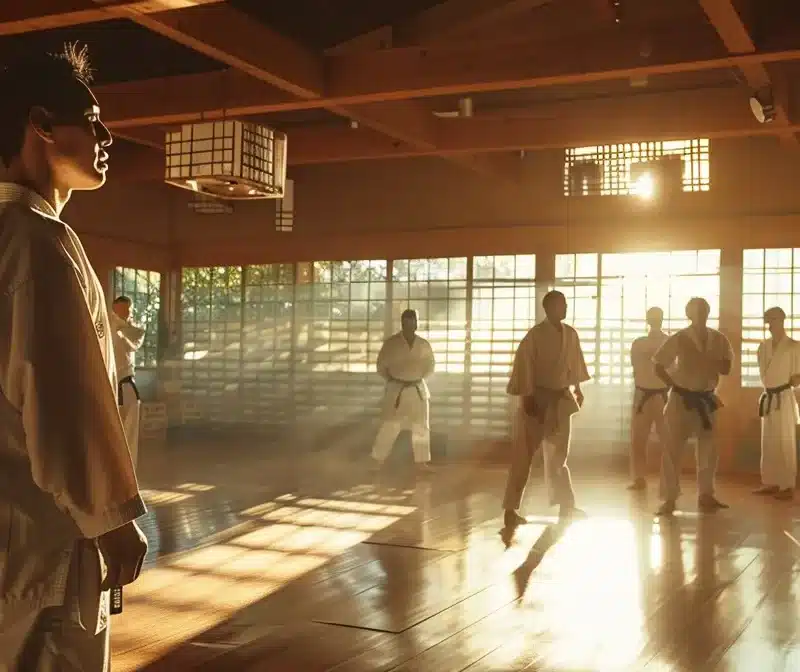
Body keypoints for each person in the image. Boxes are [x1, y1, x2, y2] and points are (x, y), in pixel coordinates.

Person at [0, 45, 148, 669]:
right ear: (40, 123)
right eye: (90, 118)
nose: (106, 134)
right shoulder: (38, 240)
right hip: (44, 536)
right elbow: (59, 400)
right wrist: (110, 519)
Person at [503, 290, 590, 527]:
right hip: (536, 398)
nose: (565, 308)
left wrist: (578, 388)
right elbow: (524, 365)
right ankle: (510, 509)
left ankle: (566, 505)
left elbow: (574, 363)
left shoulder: (570, 334)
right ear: (548, 308)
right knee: (524, 456)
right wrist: (528, 395)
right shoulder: (535, 336)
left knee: (559, 457)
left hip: (561, 399)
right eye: (561, 305)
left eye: (566, 304)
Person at [652, 297, 733, 516]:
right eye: (697, 311)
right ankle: (669, 498)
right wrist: (673, 384)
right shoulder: (679, 338)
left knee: (709, 449)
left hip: (706, 399)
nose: (701, 314)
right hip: (680, 398)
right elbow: (658, 365)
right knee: (672, 449)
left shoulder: (718, 339)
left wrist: (709, 361)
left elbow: (726, 368)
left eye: (704, 310)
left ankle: (706, 494)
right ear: (689, 314)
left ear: (708, 312)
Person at [370, 309, 436, 472]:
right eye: (407, 322)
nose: (410, 325)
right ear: (402, 323)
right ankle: (377, 461)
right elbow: (381, 367)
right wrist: (393, 380)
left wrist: (417, 377)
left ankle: (421, 463)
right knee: (390, 426)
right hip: (397, 389)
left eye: (413, 322)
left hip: (417, 388)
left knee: (421, 427)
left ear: (416, 323)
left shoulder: (423, 344)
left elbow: (431, 366)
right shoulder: (391, 343)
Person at [754, 306, 800, 500]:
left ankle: (787, 485)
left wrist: (791, 381)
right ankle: (771, 481)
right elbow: (763, 373)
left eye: (773, 319)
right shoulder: (762, 347)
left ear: (782, 320)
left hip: (784, 396)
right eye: (768, 320)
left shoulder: (794, 345)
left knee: (785, 440)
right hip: (768, 396)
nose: (770, 324)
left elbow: (797, 376)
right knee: (769, 441)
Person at [627, 307, 669, 491]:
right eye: (652, 317)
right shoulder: (639, 343)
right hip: (644, 393)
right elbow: (637, 368)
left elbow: (673, 368)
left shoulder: (668, 342)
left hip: (662, 394)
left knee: (668, 440)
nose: (654, 320)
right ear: (647, 320)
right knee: (638, 439)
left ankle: (667, 478)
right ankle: (639, 478)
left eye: (656, 317)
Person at [111, 295, 146, 466]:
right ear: (113, 309)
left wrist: (122, 325)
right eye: (120, 310)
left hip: (126, 383)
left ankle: (129, 470)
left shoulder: (134, 330)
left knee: (130, 433)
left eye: (128, 310)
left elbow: (132, 341)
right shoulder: (106, 323)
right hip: (109, 385)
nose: (124, 313)